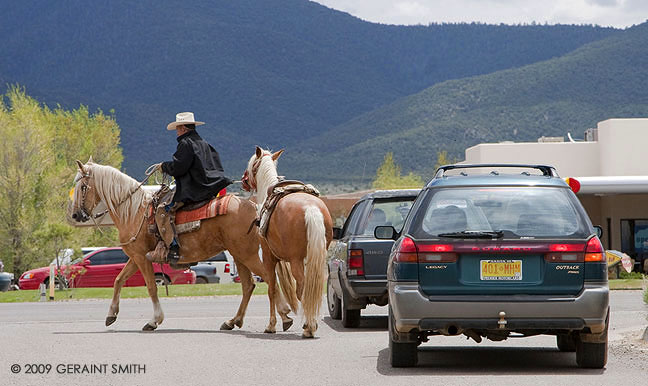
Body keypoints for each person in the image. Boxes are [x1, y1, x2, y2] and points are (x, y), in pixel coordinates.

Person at [146, 112, 232, 264]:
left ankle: (172, 249)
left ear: (183, 129)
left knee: (163, 210)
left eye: (178, 129)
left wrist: (165, 166)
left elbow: (179, 168)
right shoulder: (205, 143)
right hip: (211, 186)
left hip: (195, 189)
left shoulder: (185, 144)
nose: (177, 132)